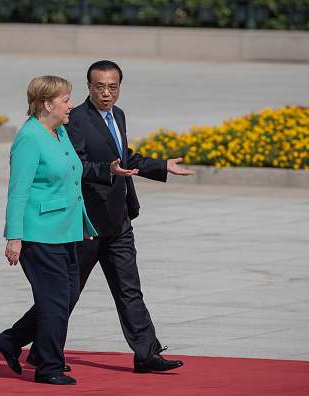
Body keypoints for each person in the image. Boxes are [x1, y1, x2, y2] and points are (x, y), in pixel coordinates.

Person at [28, 60, 195, 373]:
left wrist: (161, 166)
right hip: (86, 223)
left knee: (130, 289)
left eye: (112, 87)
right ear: (88, 87)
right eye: (99, 86)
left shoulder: (118, 115)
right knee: (66, 292)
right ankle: (35, 348)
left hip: (119, 220)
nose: (106, 93)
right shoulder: (75, 119)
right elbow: (72, 165)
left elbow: (124, 158)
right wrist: (107, 171)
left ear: (120, 87)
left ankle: (146, 354)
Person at [0, 75, 97, 386]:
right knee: (54, 300)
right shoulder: (30, 137)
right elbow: (19, 190)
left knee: (67, 296)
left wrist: (82, 223)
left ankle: (11, 340)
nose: (71, 105)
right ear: (47, 104)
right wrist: (14, 236)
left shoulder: (59, 132)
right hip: (38, 234)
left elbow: (70, 183)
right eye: (66, 100)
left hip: (66, 232)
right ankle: (49, 365)